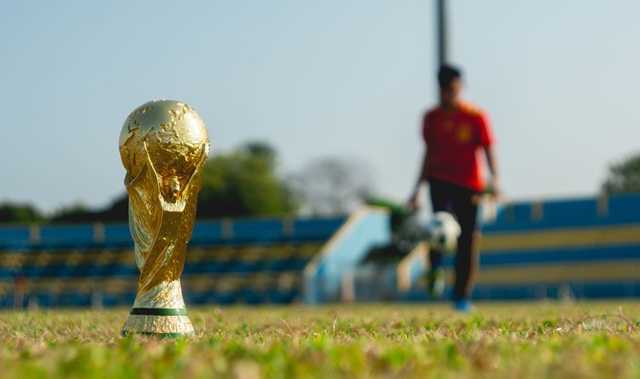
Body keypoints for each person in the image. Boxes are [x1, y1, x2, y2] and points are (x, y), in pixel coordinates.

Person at [408, 64, 499, 312]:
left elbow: (488, 148)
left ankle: (461, 297)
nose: (450, 93)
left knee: (467, 242)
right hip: (440, 182)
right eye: (445, 89)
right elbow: (427, 154)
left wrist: (495, 180)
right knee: (438, 229)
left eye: (454, 88)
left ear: (461, 87)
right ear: (439, 89)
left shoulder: (475, 117)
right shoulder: (431, 118)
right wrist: (416, 190)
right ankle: (435, 267)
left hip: (470, 187)